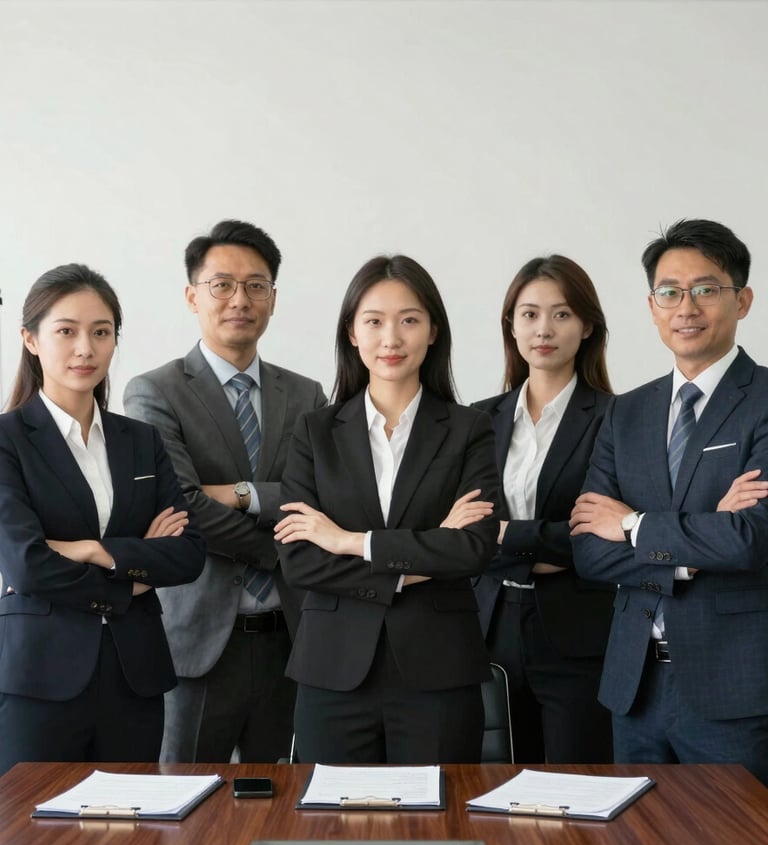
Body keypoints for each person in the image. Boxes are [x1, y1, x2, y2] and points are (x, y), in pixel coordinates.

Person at [274, 254, 500, 764]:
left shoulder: (470, 429)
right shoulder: (315, 431)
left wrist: (349, 542)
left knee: (436, 829)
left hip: (439, 669)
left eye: (409, 320)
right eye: (373, 321)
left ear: (433, 331)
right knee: (330, 832)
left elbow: (473, 549)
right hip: (332, 670)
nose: (391, 338)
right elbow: (300, 559)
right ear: (352, 333)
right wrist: (420, 558)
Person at [570, 219, 768, 784]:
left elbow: (751, 538)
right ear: (652, 306)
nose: (688, 307)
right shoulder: (626, 412)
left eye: (707, 289)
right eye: (670, 292)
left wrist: (632, 525)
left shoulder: (764, 402)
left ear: (742, 300)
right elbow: (588, 550)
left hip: (734, 687)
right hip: (634, 688)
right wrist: (697, 543)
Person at [123, 220, 326, 764]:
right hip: (198, 639)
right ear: (193, 296)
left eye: (256, 285)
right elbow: (180, 503)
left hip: (291, 634)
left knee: (283, 807)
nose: (240, 299)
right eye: (222, 285)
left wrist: (240, 493)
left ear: (273, 299)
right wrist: (277, 545)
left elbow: (320, 500)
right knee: (183, 811)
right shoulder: (153, 392)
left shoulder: (306, 393)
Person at [0, 263, 205, 775]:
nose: (85, 349)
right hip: (39, 677)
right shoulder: (7, 441)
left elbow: (187, 555)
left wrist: (94, 550)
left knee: (131, 830)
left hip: (134, 675)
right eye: (66, 332)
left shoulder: (141, 440)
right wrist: (132, 578)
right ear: (30, 339)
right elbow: (27, 566)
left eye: (101, 332)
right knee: (33, 839)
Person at [472, 255, 615, 764]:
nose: (544, 329)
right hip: (486, 632)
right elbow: (461, 536)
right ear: (511, 325)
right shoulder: (477, 421)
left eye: (561, 314)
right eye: (529, 314)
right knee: (490, 792)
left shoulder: (614, 418)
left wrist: (505, 535)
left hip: (577, 637)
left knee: (574, 795)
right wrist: (541, 541)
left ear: (587, 325)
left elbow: (600, 539)